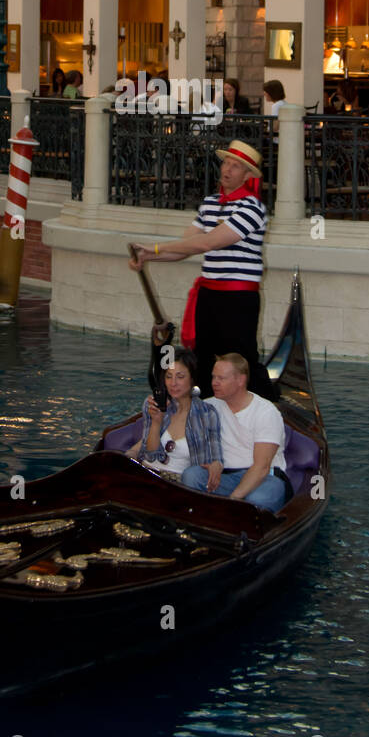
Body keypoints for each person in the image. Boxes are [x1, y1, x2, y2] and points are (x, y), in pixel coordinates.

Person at [129, 138, 274, 401]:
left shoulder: (253, 209)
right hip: (208, 296)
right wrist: (147, 256)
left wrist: (155, 248)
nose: (227, 170)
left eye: (236, 166)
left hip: (238, 299)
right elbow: (186, 246)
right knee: (205, 361)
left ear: (247, 175)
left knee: (241, 360)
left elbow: (208, 242)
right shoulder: (209, 204)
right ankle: (206, 411)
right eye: (226, 163)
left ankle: (259, 408)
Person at [180, 354, 290, 512]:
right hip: (225, 476)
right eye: (213, 377)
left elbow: (262, 467)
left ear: (240, 380)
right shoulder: (209, 406)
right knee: (191, 476)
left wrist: (233, 500)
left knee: (255, 501)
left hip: (265, 478)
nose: (214, 383)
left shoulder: (266, 412)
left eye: (221, 378)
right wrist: (213, 462)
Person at [125, 348, 223, 484]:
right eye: (168, 376)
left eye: (180, 377)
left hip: (180, 483)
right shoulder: (154, 404)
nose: (173, 383)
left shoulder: (206, 413)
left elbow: (214, 456)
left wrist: (216, 464)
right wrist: (156, 422)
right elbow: (150, 456)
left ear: (192, 379)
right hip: (148, 474)